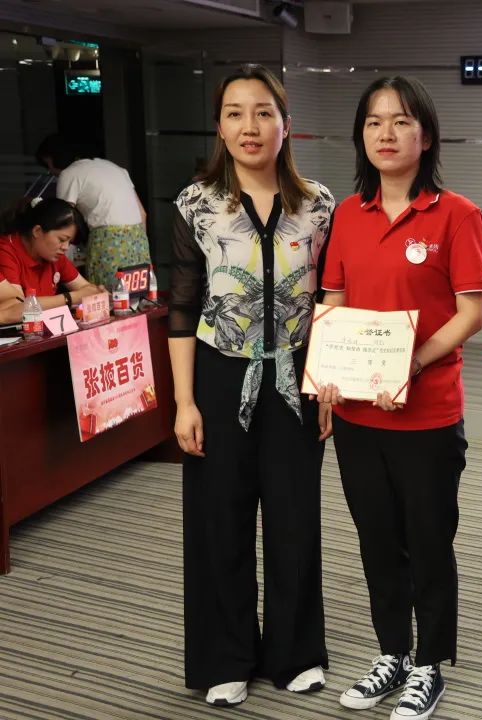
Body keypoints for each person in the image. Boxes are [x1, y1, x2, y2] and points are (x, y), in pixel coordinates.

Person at [316, 75, 482, 720]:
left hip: (427, 412)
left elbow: (471, 313)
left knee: (429, 540)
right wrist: (327, 372)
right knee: (377, 539)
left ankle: (429, 664)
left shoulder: (456, 214)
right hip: (358, 411)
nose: (386, 134)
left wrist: (409, 365)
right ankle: (391, 651)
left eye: (401, 121)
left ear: (427, 135)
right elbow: (333, 302)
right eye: (374, 122)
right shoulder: (347, 215)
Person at [168, 64, 336, 708]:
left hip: (296, 376)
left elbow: (329, 300)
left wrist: (326, 382)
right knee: (220, 518)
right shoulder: (196, 204)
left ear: (285, 124)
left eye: (264, 112)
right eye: (235, 113)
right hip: (218, 375)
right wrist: (184, 401)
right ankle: (225, 655)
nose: (250, 126)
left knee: (295, 517)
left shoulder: (318, 204)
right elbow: (183, 307)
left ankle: (296, 651)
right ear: (219, 126)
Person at [36, 134, 151, 287]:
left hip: (108, 242)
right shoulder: (116, 168)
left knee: (106, 295)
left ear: (54, 157)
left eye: (48, 164)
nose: (50, 171)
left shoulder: (69, 173)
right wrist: (139, 245)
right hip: (139, 240)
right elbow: (142, 214)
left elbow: (62, 221)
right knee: (139, 294)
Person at [0, 197, 105, 319]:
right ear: (37, 231)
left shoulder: (54, 254)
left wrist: (97, 293)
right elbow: (18, 308)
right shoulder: (6, 251)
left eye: (69, 242)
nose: (65, 247)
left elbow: (86, 289)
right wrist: (71, 298)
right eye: (62, 240)